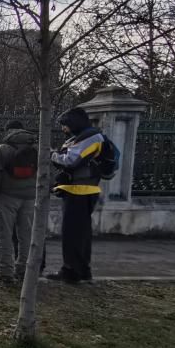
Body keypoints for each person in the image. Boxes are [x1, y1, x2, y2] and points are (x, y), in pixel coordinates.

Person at [49, 107, 105, 284]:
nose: (64, 129)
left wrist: (52, 155)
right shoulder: (86, 137)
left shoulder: (90, 138)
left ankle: (71, 272)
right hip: (82, 191)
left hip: (79, 192)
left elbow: (71, 161)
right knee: (81, 234)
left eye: (65, 125)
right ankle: (83, 270)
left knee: (72, 234)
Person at [0, 119, 37, 283]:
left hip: (6, 197)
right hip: (30, 197)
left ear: (7, 132)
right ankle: (24, 270)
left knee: (3, 234)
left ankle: (5, 271)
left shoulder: (2, 149)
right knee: (27, 235)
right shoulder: (37, 149)